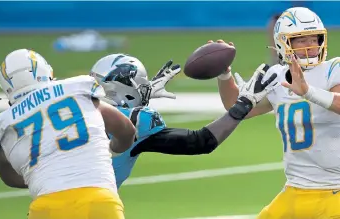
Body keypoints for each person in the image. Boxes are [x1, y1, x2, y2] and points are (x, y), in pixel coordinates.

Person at [216, 7, 340, 219]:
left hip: (336, 190)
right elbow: (235, 106)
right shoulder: (276, 76)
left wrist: (309, 92)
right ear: (283, 43)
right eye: (301, 40)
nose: (311, 45)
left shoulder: (335, 68)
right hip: (293, 191)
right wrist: (224, 74)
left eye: (314, 38)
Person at [0, 49, 136, 219]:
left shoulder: (3, 124)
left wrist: (42, 177)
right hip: (98, 200)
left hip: (45, 208)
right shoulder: (76, 90)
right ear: (45, 71)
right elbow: (126, 130)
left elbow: (8, 177)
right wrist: (112, 151)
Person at [89, 53, 279, 187]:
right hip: (93, 203)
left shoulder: (71, 104)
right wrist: (242, 106)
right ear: (125, 87)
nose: (146, 86)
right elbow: (199, 142)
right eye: (142, 83)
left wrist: (139, 97)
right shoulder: (137, 121)